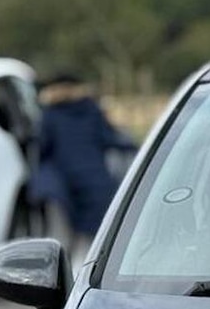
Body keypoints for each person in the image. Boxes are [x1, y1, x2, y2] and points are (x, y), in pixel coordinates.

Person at [32, 73, 138, 264]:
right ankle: (91, 274)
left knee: (63, 238)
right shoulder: (91, 110)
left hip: (64, 184)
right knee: (98, 237)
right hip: (96, 181)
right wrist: (138, 146)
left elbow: (43, 148)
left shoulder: (50, 115)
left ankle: (66, 279)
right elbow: (110, 138)